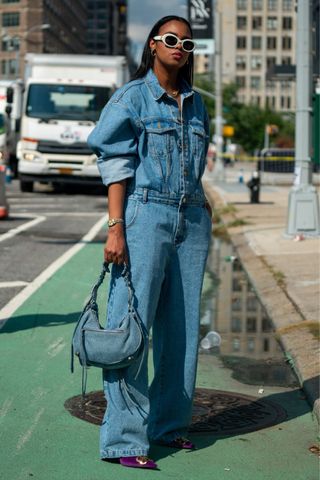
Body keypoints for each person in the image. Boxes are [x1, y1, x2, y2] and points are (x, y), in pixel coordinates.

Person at [87, 15, 212, 470]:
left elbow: (194, 166)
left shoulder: (197, 104)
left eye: (187, 42)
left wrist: (202, 208)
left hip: (192, 220)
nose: (180, 47)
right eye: (171, 39)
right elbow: (115, 162)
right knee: (131, 324)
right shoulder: (132, 97)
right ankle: (124, 439)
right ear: (155, 46)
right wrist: (115, 226)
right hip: (144, 216)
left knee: (181, 330)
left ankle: (168, 425)